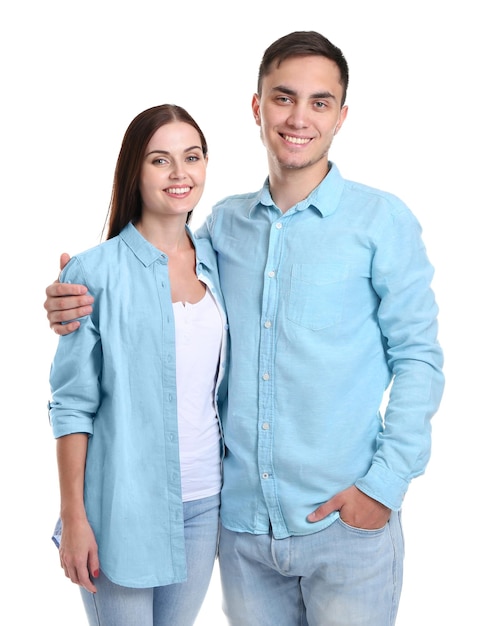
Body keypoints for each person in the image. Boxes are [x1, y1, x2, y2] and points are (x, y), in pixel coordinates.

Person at [44, 31, 444, 626]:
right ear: (257, 108)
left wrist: (383, 486)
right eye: (283, 98)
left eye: (320, 102)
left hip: (345, 527)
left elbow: (419, 359)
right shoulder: (221, 228)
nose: (299, 118)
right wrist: (74, 295)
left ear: (341, 116)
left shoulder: (380, 221)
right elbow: (154, 278)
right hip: (242, 535)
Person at [47, 104, 228, 626]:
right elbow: (72, 406)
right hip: (122, 508)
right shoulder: (94, 271)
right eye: (160, 160)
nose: (179, 174)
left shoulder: (218, 258)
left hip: (205, 504)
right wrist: (74, 516)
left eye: (191, 157)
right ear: (135, 170)